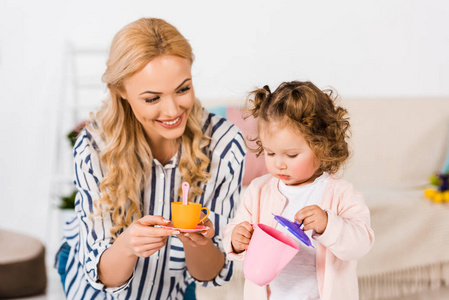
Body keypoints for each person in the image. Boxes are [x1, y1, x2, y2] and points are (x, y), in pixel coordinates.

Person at [55, 17, 246, 299]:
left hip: (173, 287)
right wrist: (127, 245)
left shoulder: (223, 143)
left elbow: (209, 273)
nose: (171, 110)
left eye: (183, 89)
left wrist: (198, 243)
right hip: (95, 284)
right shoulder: (95, 146)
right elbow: (102, 277)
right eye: (152, 98)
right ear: (121, 92)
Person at [222, 81, 375, 300]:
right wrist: (236, 240)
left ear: (322, 147)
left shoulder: (341, 194)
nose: (279, 164)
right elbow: (234, 228)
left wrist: (328, 224)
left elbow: (361, 243)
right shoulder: (258, 190)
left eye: (291, 155)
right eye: (270, 153)